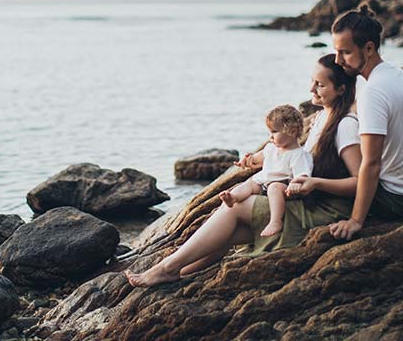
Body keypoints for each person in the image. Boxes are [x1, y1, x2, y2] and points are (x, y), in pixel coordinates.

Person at [125, 54, 361, 287]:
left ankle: (166, 268)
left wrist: (317, 183)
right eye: (312, 81)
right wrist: (260, 161)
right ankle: (182, 271)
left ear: (340, 89)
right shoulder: (321, 117)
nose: (311, 88)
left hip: (324, 210)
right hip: (306, 200)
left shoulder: (345, 126)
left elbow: (360, 183)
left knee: (235, 208)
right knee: (231, 230)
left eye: (320, 84)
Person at [328, 4, 403, 241]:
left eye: (345, 52)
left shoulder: (373, 92)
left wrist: (355, 221)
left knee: (331, 176)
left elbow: (372, 165)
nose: (338, 60)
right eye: (336, 51)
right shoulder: (394, 74)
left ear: (369, 48)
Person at [219, 105, 313, 238]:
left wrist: (296, 184)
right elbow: (256, 158)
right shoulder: (271, 148)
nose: (270, 137)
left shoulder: (298, 154)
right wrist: (246, 161)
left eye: (274, 132)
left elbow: (302, 174)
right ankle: (233, 198)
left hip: (284, 187)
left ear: (291, 131)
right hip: (264, 182)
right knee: (249, 183)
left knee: (274, 188)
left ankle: (275, 221)